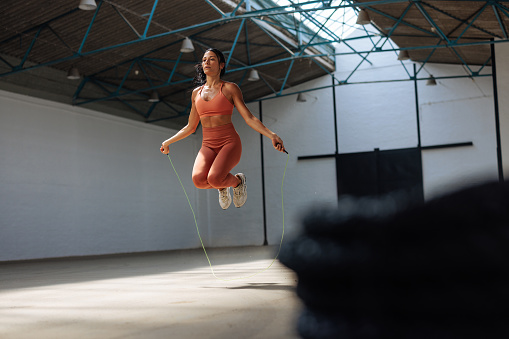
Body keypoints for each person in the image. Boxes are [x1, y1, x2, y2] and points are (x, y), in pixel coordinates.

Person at [160, 48, 286, 210]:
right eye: (204, 59)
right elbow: (191, 127)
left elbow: (249, 118)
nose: (207, 62)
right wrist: (168, 141)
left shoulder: (229, 88)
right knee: (198, 180)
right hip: (208, 145)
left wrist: (272, 135)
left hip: (229, 142)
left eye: (212, 59)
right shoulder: (196, 94)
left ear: (221, 65)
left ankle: (238, 182)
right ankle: (222, 185)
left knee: (214, 178)